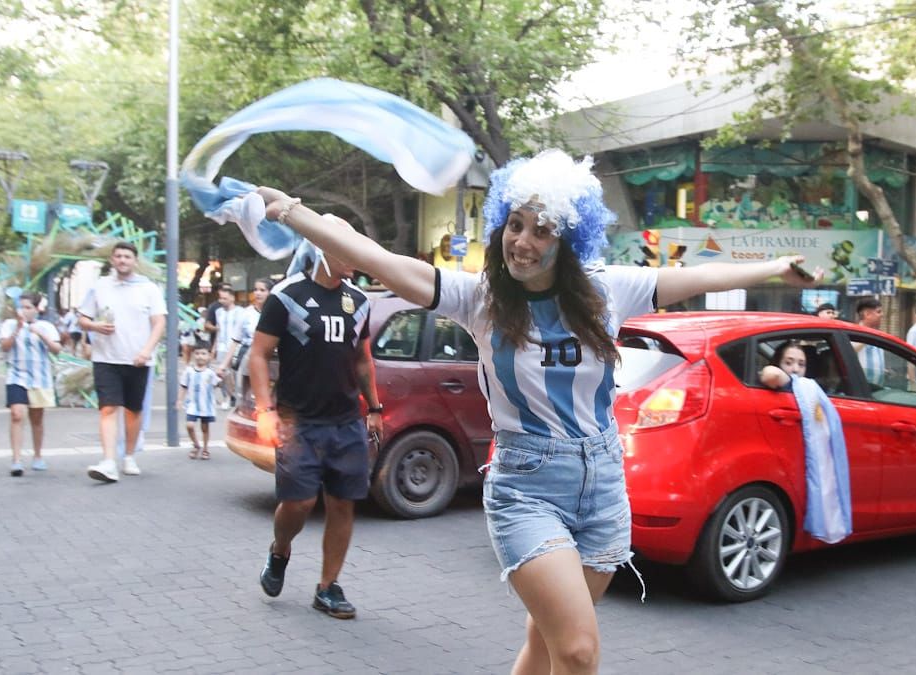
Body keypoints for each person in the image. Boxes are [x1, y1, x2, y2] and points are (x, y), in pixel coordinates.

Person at [255, 149, 822, 673]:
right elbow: (376, 258)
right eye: (515, 225)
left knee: (545, 642)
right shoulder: (478, 297)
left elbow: (698, 276)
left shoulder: (606, 291)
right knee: (577, 650)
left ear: (569, 237)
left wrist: (775, 270)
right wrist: (295, 213)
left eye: (542, 229)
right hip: (525, 487)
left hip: (603, 488)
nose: (521, 242)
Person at [249, 234, 381, 621]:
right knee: (300, 503)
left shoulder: (358, 301)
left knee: (342, 503)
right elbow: (259, 355)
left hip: (345, 422)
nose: (354, 258)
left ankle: (328, 587)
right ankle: (280, 550)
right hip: (298, 421)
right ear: (324, 250)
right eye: (346, 249)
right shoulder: (286, 296)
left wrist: (374, 407)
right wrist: (264, 410)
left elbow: (362, 360)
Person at [77, 241, 166, 483]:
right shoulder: (100, 286)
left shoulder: (149, 288)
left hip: (138, 359)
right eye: (118, 256)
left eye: (127, 256)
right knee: (107, 408)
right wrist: (95, 326)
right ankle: (108, 461)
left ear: (135, 261)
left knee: (133, 410)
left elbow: (159, 322)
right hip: (105, 357)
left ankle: (129, 455)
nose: (122, 260)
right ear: (112, 260)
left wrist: (147, 350)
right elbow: (83, 318)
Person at [0, 292, 62, 476]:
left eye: (28, 307)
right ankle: (16, 460)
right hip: (16, 375)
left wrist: (41, 335)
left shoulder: (46, 326)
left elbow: (57, 349)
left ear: (36, 309)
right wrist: (17, 329)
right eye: (21, 307)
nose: (24, 311)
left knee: (37, 418)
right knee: (17, 414)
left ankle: (38, 455)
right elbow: (4, 346)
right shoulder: (9, 325)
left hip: (39, 377)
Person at [219, 278, 272, 402]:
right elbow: (235, 340)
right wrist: (224, 365)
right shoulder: (246, 313)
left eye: (262, 290)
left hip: (273, 359)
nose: (258, 293)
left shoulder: (278, 313)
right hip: (249, 356)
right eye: (256, 290)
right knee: (247, 395)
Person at [179, 341, 221, 460]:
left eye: (203, 353)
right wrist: (179, 400)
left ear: (209, 356)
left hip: (206, 406)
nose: (200, 356)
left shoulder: (210, 373)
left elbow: (216, 385)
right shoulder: (189, 371)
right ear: (193, 355)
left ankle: (206, 448)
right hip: (192, 404)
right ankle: (196, 444)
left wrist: (221, 377)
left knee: (204, 427)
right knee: (189, 425)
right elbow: (183, 386)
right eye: (197, 353)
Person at [212, 284, 246, 410]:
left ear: (232, 298)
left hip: (236, 347)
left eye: (224, 298)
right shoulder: (218, 312)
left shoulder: (241, 312)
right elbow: (219, 331)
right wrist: (214, 347)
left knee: (234, 374)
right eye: (220, 298)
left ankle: (235, 397)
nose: (222, 301)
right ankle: (227, 397)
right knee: (223, 373)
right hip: (222, 346)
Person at [852, 298, 885, 387]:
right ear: (867, 314)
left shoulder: (877, 333)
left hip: (877, 388)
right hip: (862, 388)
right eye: (879, 312)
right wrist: (866, 338)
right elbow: (850, 351)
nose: (882, 315)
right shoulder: (854, 332)